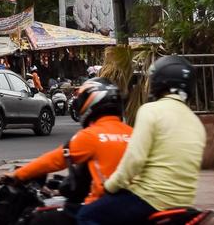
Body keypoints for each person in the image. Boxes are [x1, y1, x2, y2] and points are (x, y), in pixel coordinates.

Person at [83, 56, 206, 225]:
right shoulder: (196, 123)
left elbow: (134, 159)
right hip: (184, 203)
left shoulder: (150, 111)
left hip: (149, 199)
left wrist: (110, 186)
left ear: (159, 82)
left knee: (87, 214)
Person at [5, 77, 132, 211]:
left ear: (91, 102)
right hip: (136, 204)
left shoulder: (90, 135)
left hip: (105, 206)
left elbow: (55, 159)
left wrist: (18, 174)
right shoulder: (133, 133)